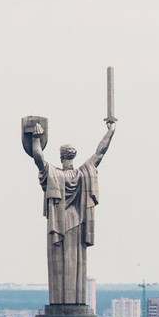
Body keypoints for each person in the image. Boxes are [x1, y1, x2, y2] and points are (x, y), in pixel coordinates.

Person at [30, 121, 116, 305]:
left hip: (58, 227)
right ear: (73, 156)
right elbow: (100, 153)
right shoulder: (83, 174)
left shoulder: (53, 174)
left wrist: (35, 138)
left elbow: (37, 157)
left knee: (58, 267)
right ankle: (75, 301)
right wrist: (111, 131)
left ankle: (60, 302)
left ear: (61, 157)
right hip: (77, 224)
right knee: (77, 264)